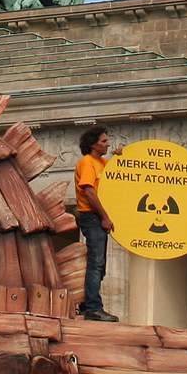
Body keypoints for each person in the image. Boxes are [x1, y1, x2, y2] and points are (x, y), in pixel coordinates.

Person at [75, 125, 122, 322]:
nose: (108, 144)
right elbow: (89, 192)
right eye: (104, 141)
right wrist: (104, 217)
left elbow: (119, 172)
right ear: (93, 144)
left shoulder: (102, 162)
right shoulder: (87, 163)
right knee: (96, 263)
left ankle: (88, 303)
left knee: (100, 265)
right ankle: (93, 308)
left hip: (97, 217)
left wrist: (120, 156)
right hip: (91, 216)